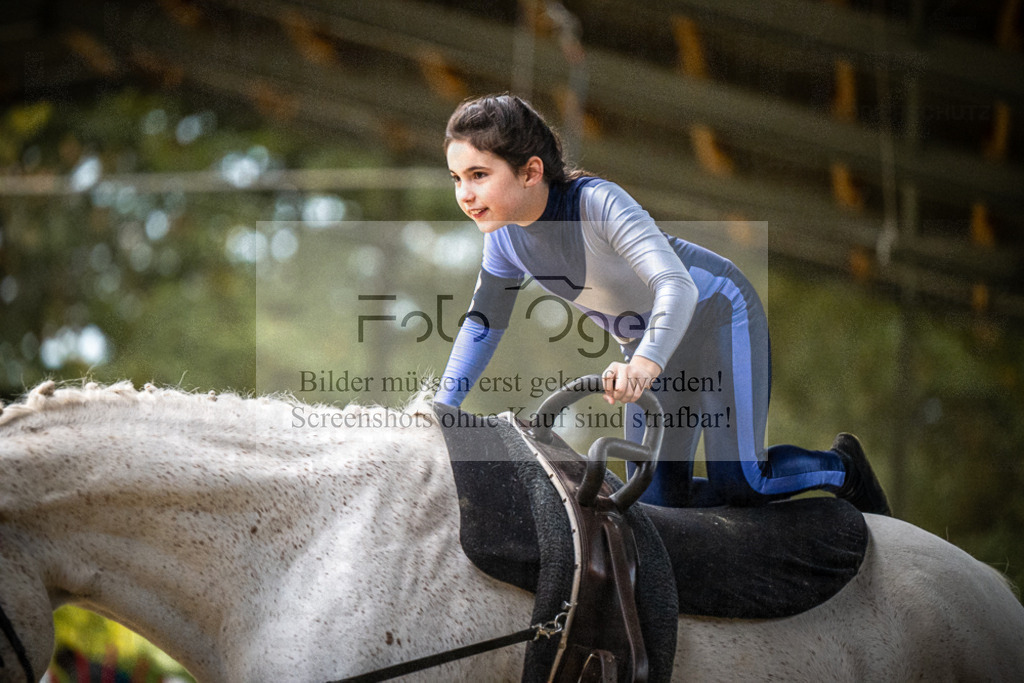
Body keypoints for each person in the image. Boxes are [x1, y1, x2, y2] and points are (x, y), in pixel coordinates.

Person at [435, 93, 889, 514]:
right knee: (655, 505)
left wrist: (643, 366)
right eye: (457, 179)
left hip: (716, 316)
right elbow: (483, 325)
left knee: (745, 483)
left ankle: (843, 466)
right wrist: (442, 411)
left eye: (479, 175)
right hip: (648, 345)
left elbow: (677, 286)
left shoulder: (597, 203)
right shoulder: (503, 241)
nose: (465, 194)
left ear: (531, 172)